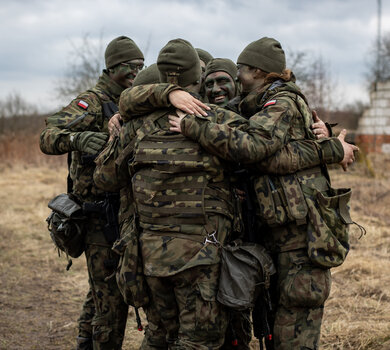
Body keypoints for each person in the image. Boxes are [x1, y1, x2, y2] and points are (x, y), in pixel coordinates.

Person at [169, 37, 359, 349]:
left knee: (293, 328)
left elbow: (256, 149)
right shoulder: (257, 103)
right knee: (273, 322)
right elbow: (238, 123)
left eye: (240, 70)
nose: (237, 77)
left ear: (257, 71)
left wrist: (193, 127)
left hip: (300, 238)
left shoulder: (280, 102)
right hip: (277, 235)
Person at [39, 35, 144, 350]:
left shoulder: (132, 100)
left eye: (141, 66)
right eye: (129, 66)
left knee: (101, 293)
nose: (136, 72)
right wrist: (78, 139)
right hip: (98, 217)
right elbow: (48, 136)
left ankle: (86, 343)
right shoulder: (93, 101)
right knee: (111, 299)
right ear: (112, 67)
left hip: (119, 213)